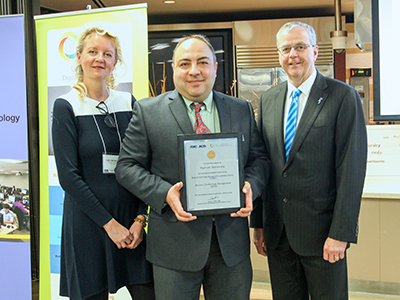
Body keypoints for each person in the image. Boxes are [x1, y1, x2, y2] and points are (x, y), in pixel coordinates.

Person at [115, 34, 269, 300]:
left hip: (230, 246)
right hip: (174, 246)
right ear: (174, 68)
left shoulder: (240, 108)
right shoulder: (148, 111)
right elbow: (126, 167)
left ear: (215, 67)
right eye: (185, 63)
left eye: (202, 62)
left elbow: (259, 160)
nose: (194, 71)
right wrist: (164, 193)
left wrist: (251, 187)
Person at [250, 21, 368, 300]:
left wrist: (341, 233)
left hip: (324, 236)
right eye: (286, 48)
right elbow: (260, 162)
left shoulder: (342, 96)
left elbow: (351, 170)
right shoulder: (269, 100)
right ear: (279, 55)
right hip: (278, 235)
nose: (293, 55)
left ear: (315, 51)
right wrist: (259, 224)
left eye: (300, 47)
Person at [52, 26, 154, 300]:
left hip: (131, 221)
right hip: (89, 223)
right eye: (93, 51)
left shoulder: (128, 102)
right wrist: (109, 225)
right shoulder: (66, 105)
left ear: (115, 61)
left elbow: (143, 163)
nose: (100, 58)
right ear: (79, 57)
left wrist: (139, 219)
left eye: (107, 54)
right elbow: (68, 177)